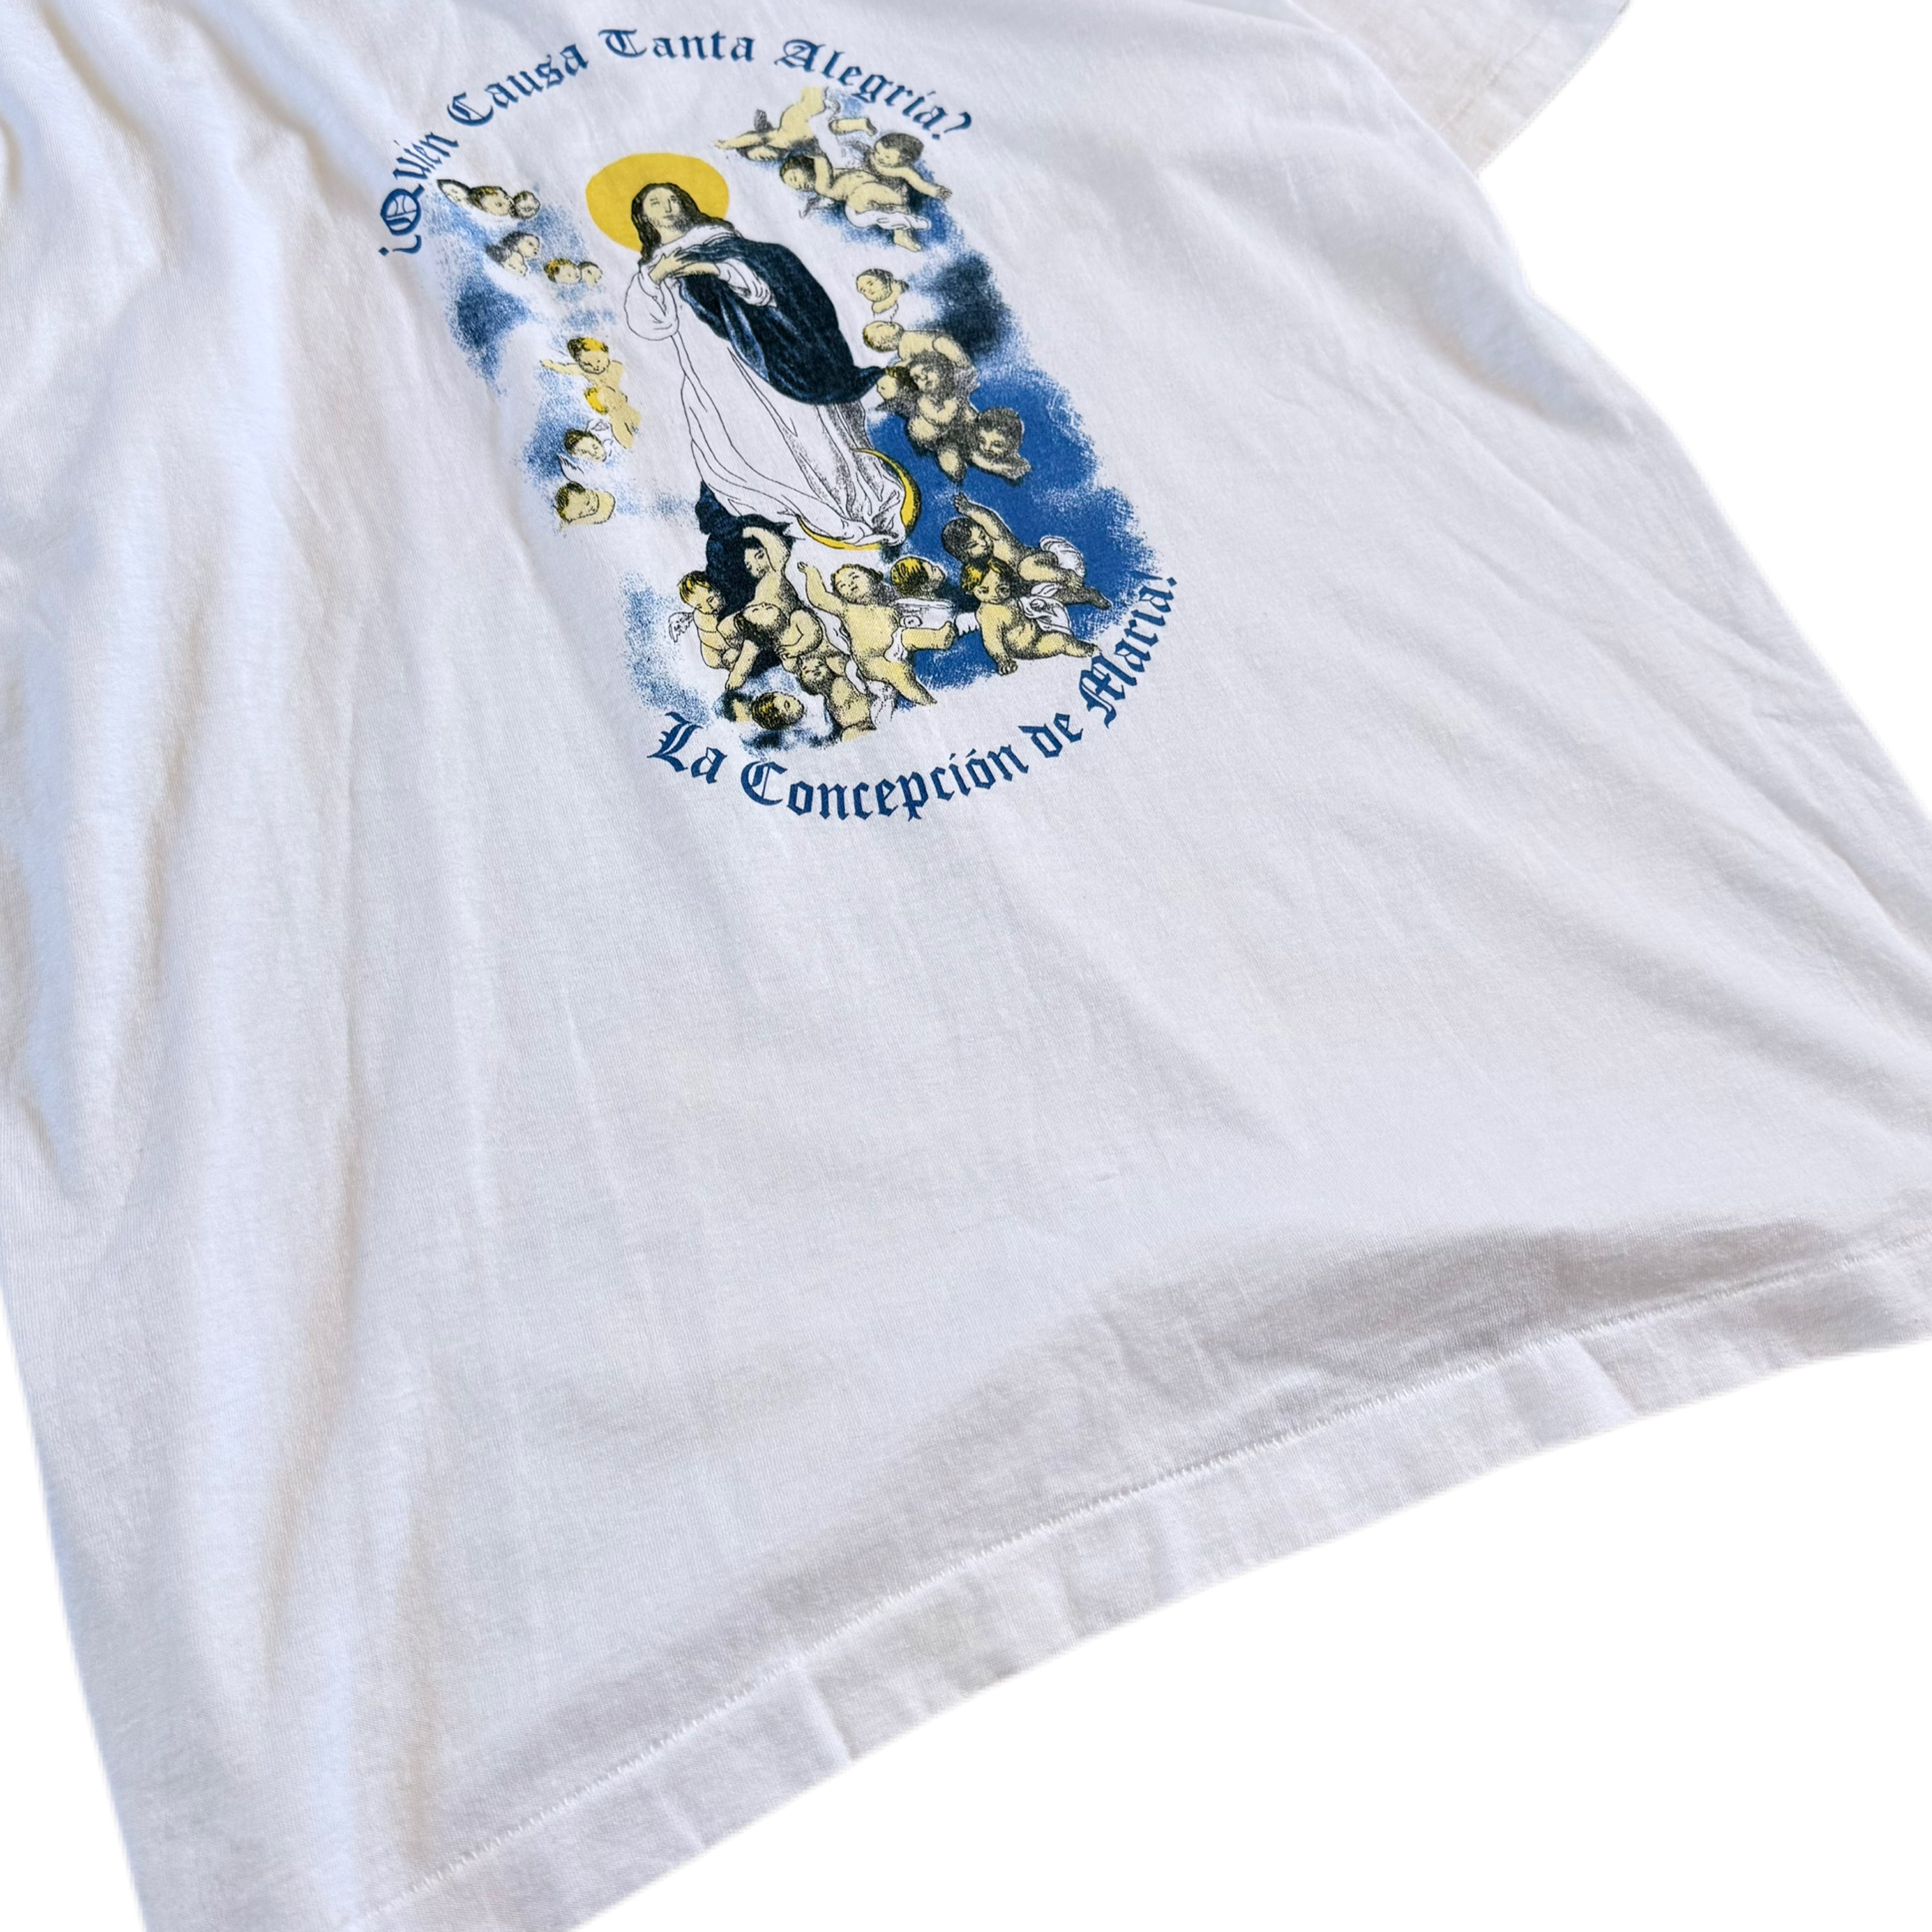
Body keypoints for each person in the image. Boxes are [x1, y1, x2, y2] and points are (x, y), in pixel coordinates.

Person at [622, 181, 903, 546]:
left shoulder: (718, 240)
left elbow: (764, 289)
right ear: (644, 218)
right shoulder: (652, 270)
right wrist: (658, 276)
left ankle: (863, 503)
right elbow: (650, 325)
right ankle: (820, 514)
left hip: (766, 354)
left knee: (807, 425)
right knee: (750, 439)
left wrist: (712, 269)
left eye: (673, 199)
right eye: (656, 204)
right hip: (712, 367)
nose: (668, 207)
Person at [801, 563, 940, 706]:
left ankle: (938, 639)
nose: (851, 584)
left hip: (897, 643)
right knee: (899, 674)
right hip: (871, 659)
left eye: (854, 577)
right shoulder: (847, 610)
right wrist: (811, 573)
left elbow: (907, 618)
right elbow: (820, 598)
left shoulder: (890, 607)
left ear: (872, 577)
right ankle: (929, 704)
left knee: (909, 636)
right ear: (841, 596)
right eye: (842, 586)